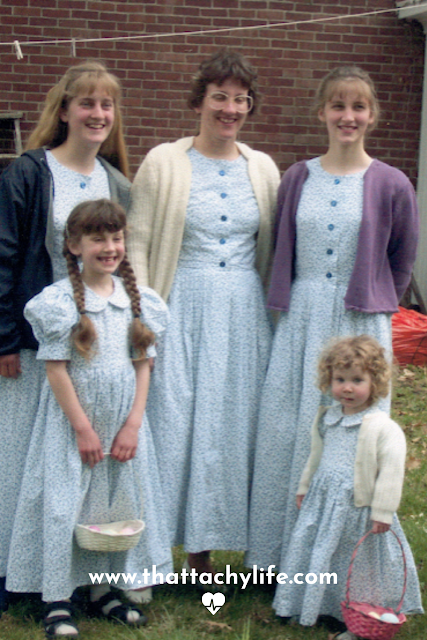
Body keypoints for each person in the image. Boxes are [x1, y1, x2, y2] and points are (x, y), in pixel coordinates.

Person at [247, 65, 419, 571]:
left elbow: (402, 259)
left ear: (372, 116)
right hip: (302, 317)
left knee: (354, 438)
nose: (348, 116)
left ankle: (344, 564)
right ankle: (280, 558)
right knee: (290, 429)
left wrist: (373, 297)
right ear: (321, 111)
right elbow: (282, 245)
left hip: (359, 319)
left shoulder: (391, 182)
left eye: (359, 107)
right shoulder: (298, 176)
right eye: (338, 106)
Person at [127, 48, 280, 578]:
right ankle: (148, 553)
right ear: (200, 100)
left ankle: (206, 555)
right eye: (220, 96)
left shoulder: (262, 169)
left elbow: (272, 249)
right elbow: (139, 244)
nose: (230, 108)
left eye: (241, 99)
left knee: (229, 427)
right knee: (170, 424)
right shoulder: (164, 161)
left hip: (242, 312)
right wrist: (143, 315)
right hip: (179, 306)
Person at [6, 199, 173, 637]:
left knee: (110, 509)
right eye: (98, 238)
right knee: (65, 509)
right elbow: (56, 368)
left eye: (116, 237)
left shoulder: (138, 301)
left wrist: (134, 423)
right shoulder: (59, 302)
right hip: (72, 427)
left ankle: (103, 589)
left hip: (122, 427)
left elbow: (143, 364)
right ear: (74, 244)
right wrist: (81, 428)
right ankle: (57, 599)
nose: (109, 246)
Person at [0, 60, 131, 611]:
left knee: (76, 463)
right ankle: (16, 572)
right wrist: (5, 338)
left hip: (94, 347)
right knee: (20, 460)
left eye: (106, 104)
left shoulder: (117, 181)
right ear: (64, 110)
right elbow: (4, 256)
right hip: (35, 344)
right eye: (87, 103)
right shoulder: (28, 174)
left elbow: (122, 263)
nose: (97, 113)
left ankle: (74, 573)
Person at [271, 335, 423, 637]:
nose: (348, 387)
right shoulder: (328, 419)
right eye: (340, 379)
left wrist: (382, 511)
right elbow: (316, 457)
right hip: (324, 503)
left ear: (375, 381)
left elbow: (392, 472)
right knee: (321, 553)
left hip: (360, 509)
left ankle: (358, 611)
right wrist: (304, 487)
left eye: (357, 380)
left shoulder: (382, 427)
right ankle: (315, 604)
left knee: (357, 563)